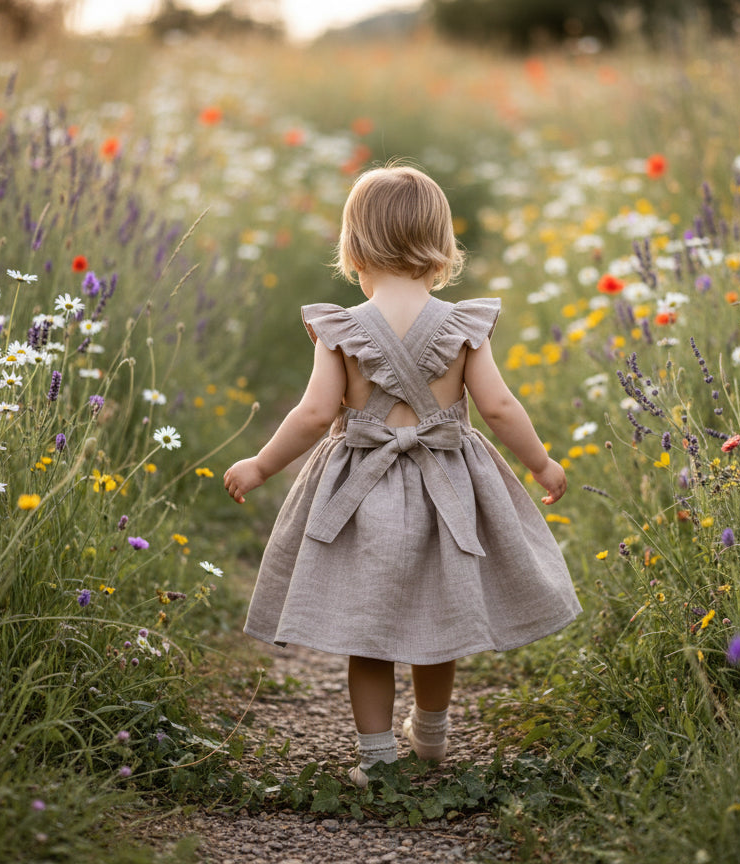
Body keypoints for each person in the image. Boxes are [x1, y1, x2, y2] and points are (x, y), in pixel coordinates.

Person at [223, 164, 581, 786]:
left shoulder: (340, 328)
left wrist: (261, 464)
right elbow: (498, 406)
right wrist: (540, 463)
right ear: (441, 246)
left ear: (354, 248)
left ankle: (378, 759)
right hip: (448, 487)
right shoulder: (464, 325)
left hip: (365, 492)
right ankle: (433, 736)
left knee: (372, 626)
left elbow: (312, 414)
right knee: (436, 618)